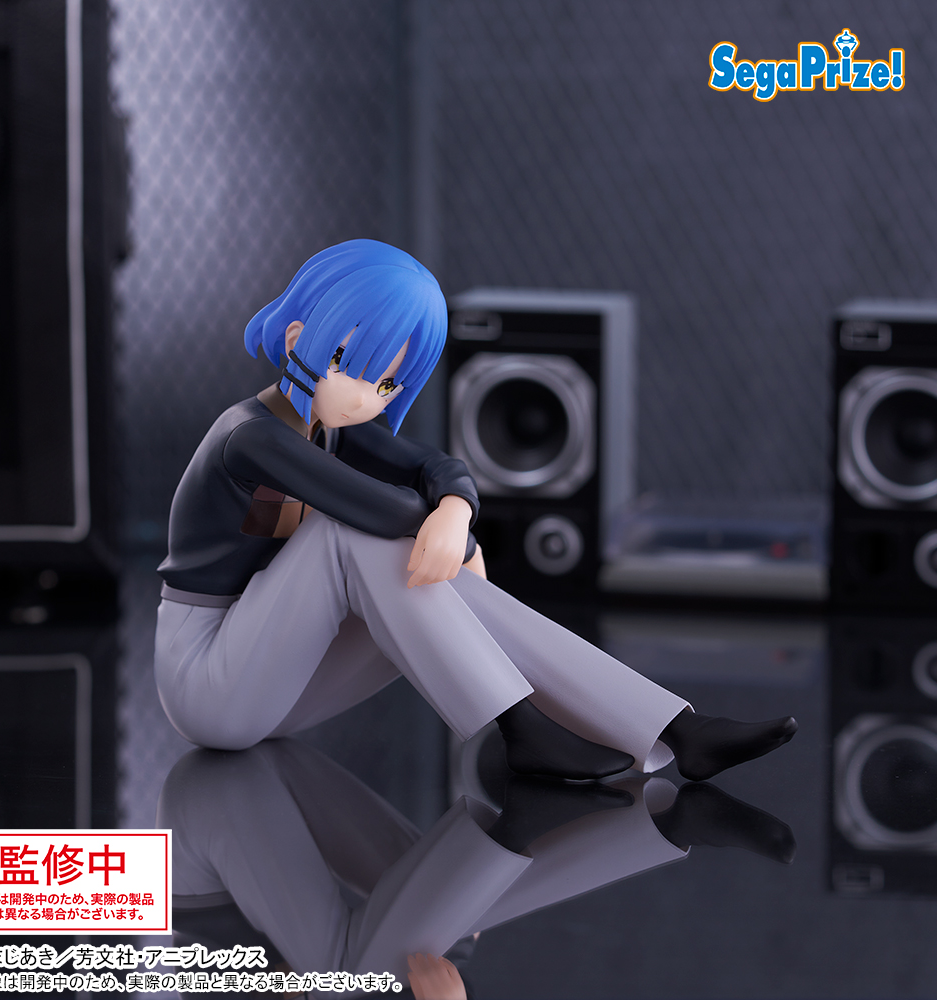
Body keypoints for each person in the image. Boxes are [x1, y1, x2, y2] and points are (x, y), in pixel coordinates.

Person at [155, 239, 796, 781]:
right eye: (347, 364)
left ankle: (673, 731)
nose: (362, 399)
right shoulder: (253, 439)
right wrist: (457, 541)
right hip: (205, 682)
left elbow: (435, 466)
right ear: (299, 337)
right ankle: (518, 728)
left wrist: (456, 510)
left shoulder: (330, 424)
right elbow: (378, 510)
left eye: (385, 385)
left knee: (408, 560)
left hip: (278, 681)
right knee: (347, 539)